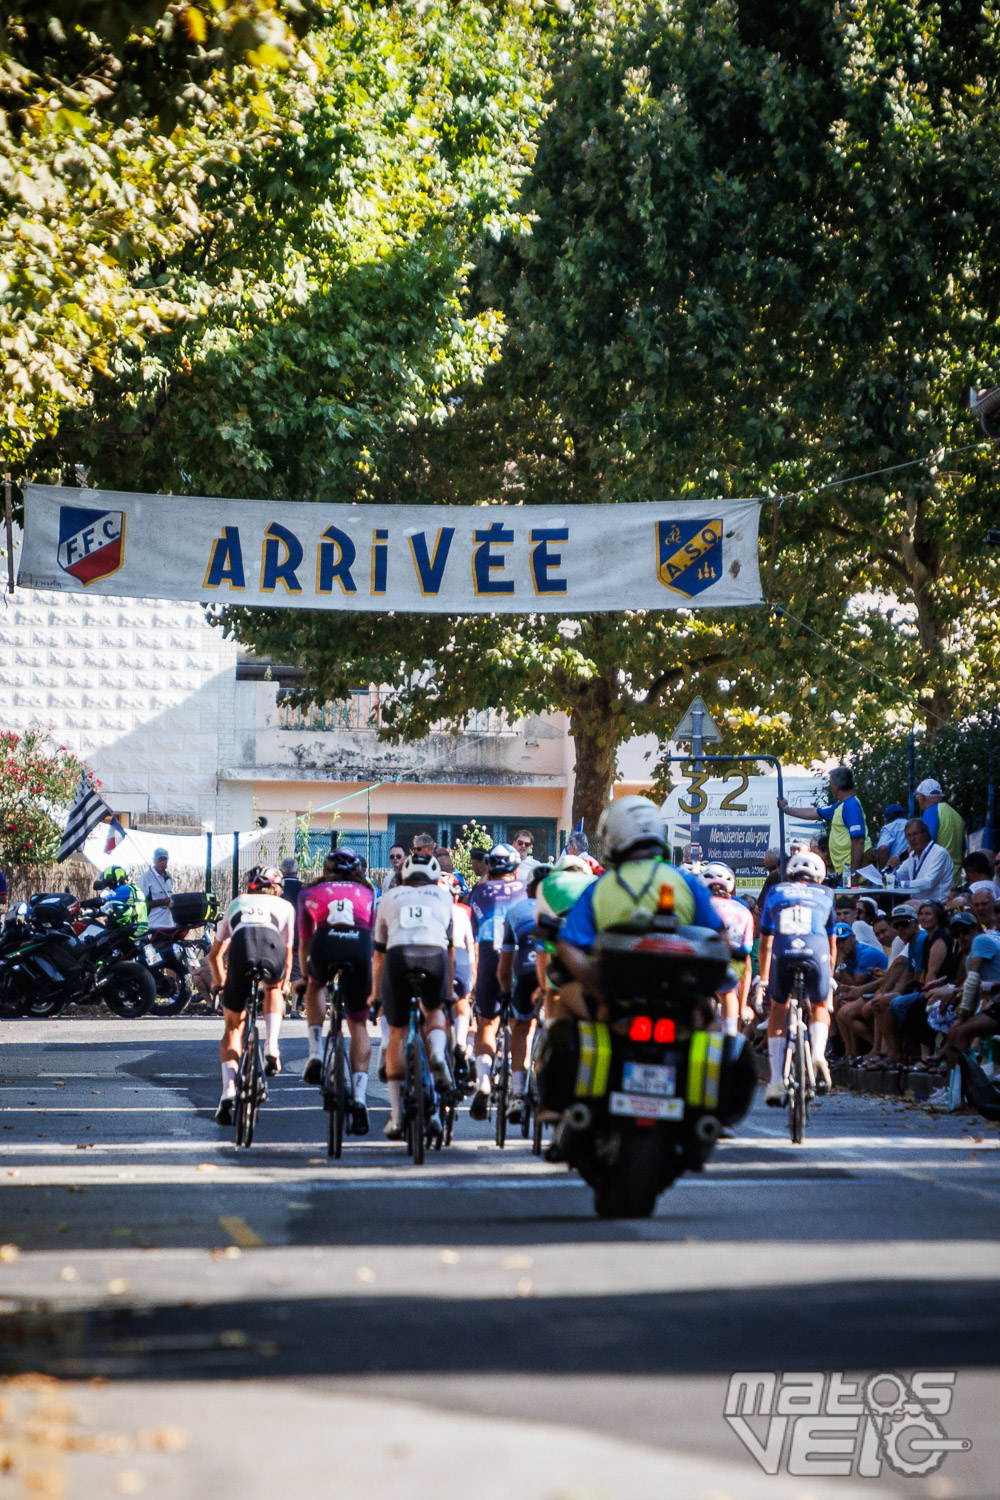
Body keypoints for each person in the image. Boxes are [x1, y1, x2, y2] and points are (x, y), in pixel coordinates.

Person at [557, 796, 723, 1015]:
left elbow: (568, 946)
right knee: (711, 1022)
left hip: (617, 1002)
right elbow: (719, 939)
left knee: (564, 997)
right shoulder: (688, 883)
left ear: (612, 836)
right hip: (680, 1001)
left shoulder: (599, 888)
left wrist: (600, 993)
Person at [371, 851, 455, 1141]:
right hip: (434, 955)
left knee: (397, 1032)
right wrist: (449, 992)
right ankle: (436, 1054)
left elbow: (379, 955)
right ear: (434, 878)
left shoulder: (388, 899)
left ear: (403, 877)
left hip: (398, 958)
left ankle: (396, 1116)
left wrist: (374, 995)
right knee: (434, 1012)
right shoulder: (445, 897)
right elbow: (451, 949)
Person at [297, 849, 376, 1135]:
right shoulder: (369, 892)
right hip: (358, 944)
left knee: (316, 985)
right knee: (358, 1023)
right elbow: (373, 934)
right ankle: (359, 1097)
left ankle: (316, 1052)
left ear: (326, 868)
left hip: (325, 941)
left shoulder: (310, 891)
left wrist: (306, 978)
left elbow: (304, 942)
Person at [208, 866, 295, 1124]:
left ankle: (229, 1089)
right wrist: (284, 983)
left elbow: (214, 956)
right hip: (271, 948)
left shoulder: (237, 903)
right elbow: (288, 955)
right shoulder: (285, 907)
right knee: (273, 989)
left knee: (233, 1028)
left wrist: (222, 984)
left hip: (241, 950)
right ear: (278, 889)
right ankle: (272, 1046)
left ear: (250, 885)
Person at [756, 848, 836, 1102]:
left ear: (789, 874)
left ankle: (776, 1081)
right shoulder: (827, 893)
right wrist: (830, 978)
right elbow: (832, 941)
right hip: (816, 951)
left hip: (783, 950)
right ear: (820, 877)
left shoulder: (776, 891)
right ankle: (817, 1053)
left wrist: (764, 978)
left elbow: (766, 942)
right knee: (820, 1003)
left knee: (779, 1009)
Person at [467, 844, 527, 1120]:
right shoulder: (525, 890)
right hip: (517, 952)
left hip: (489, 950)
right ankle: (518, 1092)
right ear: (515, 869)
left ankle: (483, 1082)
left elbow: (475, 939)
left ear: (489, 869)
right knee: (521, 1023)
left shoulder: (478, 892)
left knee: (486, 1023)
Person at [497, 871, 544, 1123]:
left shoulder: (516, 910)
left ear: (528, 891)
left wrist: (505, 992)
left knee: (521, 1027)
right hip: (552, 974)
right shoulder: (562, 907)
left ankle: (517, 1093)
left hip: (525, 971)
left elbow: (505, 966)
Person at [777, 768, 867, 885]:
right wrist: (786, 809)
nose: (830, 786)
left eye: (830, 784)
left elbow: (858, 840)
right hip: (847, 868)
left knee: (856, 901)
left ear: (836, 786)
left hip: (857, 867)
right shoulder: (841, 806)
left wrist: (853, 872)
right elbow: (815, 812)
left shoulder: (851, 805)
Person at [700, 861, 754, 1037]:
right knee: (728, 991)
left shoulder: (701, 905)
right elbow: (746, 961)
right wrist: (743, 1004)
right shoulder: (744, 911)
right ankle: (730, 1033)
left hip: (706, 954)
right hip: (734, 957)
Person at [442, 872, 477, 1082]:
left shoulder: (431, 910)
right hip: (462, 964)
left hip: (437, 964)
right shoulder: (463, 913)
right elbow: (471, 949)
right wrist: (473, 977)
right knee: (463, 1001)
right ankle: (461, 1043)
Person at [915, 778, 966, 885]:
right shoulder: (956, 815)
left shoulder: (931, 812)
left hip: (938, 878)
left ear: (923, 797)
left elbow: (924, 846)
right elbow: (962, 850)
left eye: (918, 796)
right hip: (955, 877)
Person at [890, 819, 954, 904]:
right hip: (918, 905)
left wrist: (900, 884)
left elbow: (928, 882)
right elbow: (898, 877)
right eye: (909, 836)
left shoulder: (939, 853)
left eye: (915, 834)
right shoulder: (912, 856)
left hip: (936, 906)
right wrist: (891, 869)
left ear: (926, 834)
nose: (912, 839)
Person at [94, 864, 149, 932]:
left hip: (131, 929)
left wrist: (81, 904)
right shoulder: (134, 888)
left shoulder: (123, 889)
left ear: (113, 879)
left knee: (97, 941)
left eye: (108, 880)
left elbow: (102, 900)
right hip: (141, 927)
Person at [137, 847, 174, 931]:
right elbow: (141, 904)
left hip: (169, 925)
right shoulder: (146, 877)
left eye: (165, 860)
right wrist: (163, 902)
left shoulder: (169, 877)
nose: (163, 863)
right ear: (154, 860)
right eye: (160, 860)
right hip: (152, 925)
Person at [875, 803, 910, 869]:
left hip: (894, 870)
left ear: (887, 818)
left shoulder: (889, 828)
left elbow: (882, 849)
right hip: (913, 869)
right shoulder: (912, 825)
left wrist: (883, 872)